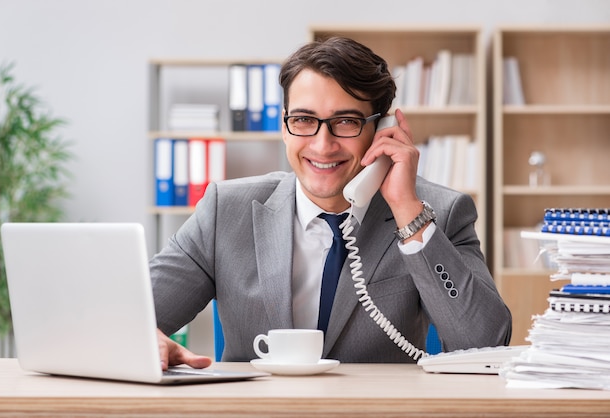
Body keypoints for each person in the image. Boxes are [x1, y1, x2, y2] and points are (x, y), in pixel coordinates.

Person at [150, 36, 512, 370]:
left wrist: (407, 212)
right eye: (304, 120)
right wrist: (146, 340)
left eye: (346, 122)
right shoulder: (226, 211)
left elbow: (486, 346)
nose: (323, 145)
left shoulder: (437, 215)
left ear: (382, 129)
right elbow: (125, 320)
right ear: (284, 126)